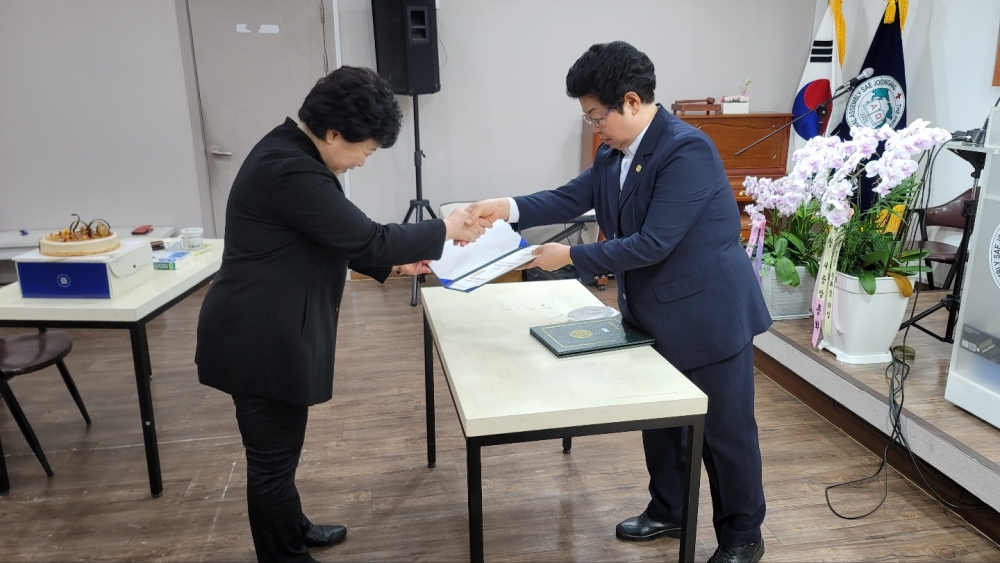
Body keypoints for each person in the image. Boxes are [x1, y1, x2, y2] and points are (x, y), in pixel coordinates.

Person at [466, 42, 771, 563]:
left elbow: (653, 243)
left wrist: (569, 256)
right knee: (662, 424)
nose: (593, 127)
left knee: (725, 436)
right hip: (653, 311)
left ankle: (743, 535)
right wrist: (507, 207)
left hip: (709, 316)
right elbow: (568, 197)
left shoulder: (687, 151)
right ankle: (670, 509)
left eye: (595, 116)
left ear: (631, 101)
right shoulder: (613, 153)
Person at [195, 66, 487, 563]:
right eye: (365, 151)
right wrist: (444, 228)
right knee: (271, 462)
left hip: (268, 328)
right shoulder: (291, 169)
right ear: (334, 133)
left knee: (279, 454)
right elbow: (367, 237)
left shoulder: (293, 153)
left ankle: (294, 528)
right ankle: (284, 556)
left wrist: (396, 263)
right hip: (258, 338)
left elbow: (333, 237)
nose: (362, 162)